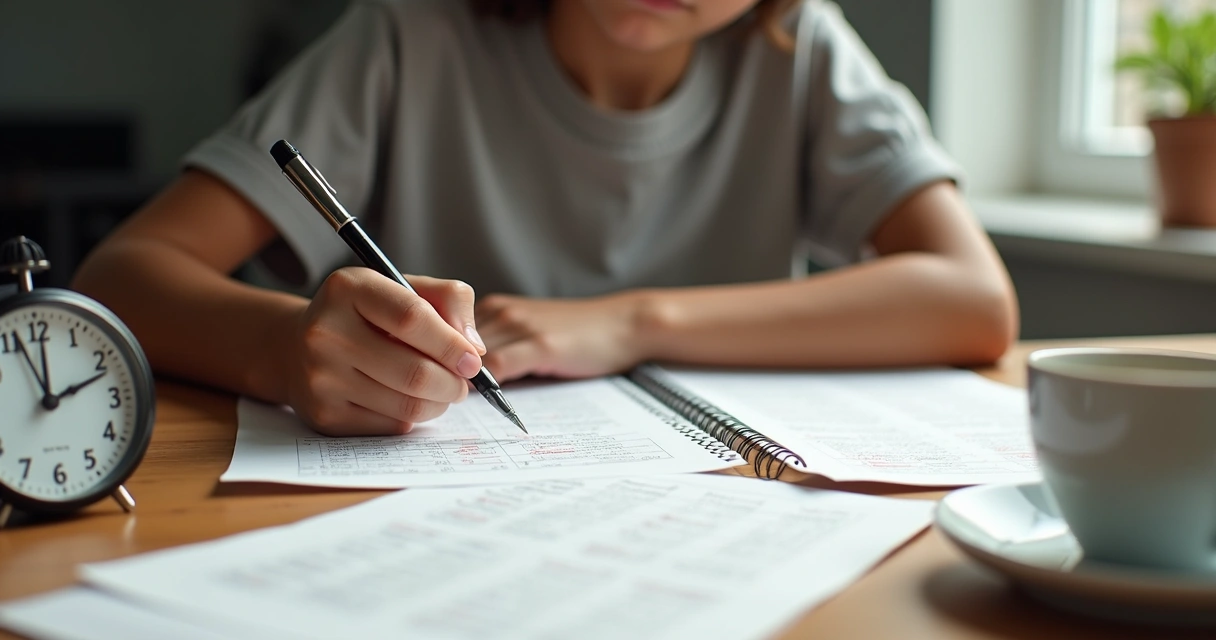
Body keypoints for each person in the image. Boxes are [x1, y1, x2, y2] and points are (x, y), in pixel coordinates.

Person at [73, 0, 1018, 436]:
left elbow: (973, 299)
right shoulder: (410, 35)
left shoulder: (802, 45)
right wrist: (282, 349)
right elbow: (122, 278)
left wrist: (631, 322)